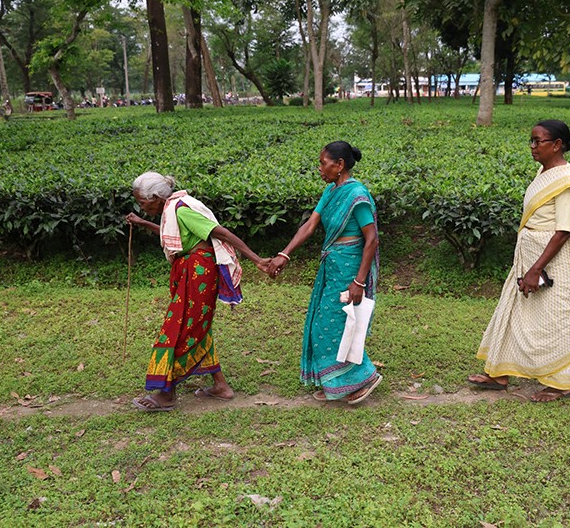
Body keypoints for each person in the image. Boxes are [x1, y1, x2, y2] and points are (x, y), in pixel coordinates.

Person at [467, 120, 570, 402]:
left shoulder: (567, 182)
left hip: (551, 262)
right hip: (528, 255)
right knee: (514, 311)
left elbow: (563, 230)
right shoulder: (545, 172)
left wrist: (537, 269)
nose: (532, 146)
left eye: (538, 141)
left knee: (556, 319)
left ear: (556, 145)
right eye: (531, 140)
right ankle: (499, 372)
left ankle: (560, 383)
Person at [125, 172, 271, 411]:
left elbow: (219, 232)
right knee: (197, 325)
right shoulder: (173, 210)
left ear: (155, 197)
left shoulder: (181, 210)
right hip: (190, 271)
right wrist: (143, 224)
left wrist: (255, 259)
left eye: (142, 202)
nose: (141, 207)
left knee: (180, 327)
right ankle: (220, 386)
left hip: (199, 272)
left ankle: (166, 392)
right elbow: (175, 236)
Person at [268, 141, 383, 404]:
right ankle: (340, 382)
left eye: (323, 163)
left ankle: (363, 378)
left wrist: (359, 281)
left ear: (339, 165)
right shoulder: (331, 192)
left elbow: (372, 239)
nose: (320, 168)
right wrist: (285, 254)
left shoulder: (357, 195)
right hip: (333, 267)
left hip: (350, 268)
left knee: (334, 323)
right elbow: (310, 225)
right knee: (324, 322)